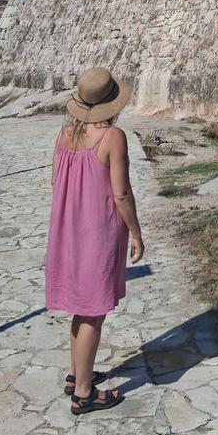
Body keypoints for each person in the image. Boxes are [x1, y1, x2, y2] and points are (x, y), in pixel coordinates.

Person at [45, 66, 145, 416]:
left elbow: (56, 180)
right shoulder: (112, 137)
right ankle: (84, 394)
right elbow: (120, 194)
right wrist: (135, 231)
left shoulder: (65, 132)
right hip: (97, 231)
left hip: (69, 230)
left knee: (80, 308)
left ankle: (77, 374)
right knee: (93, 313)